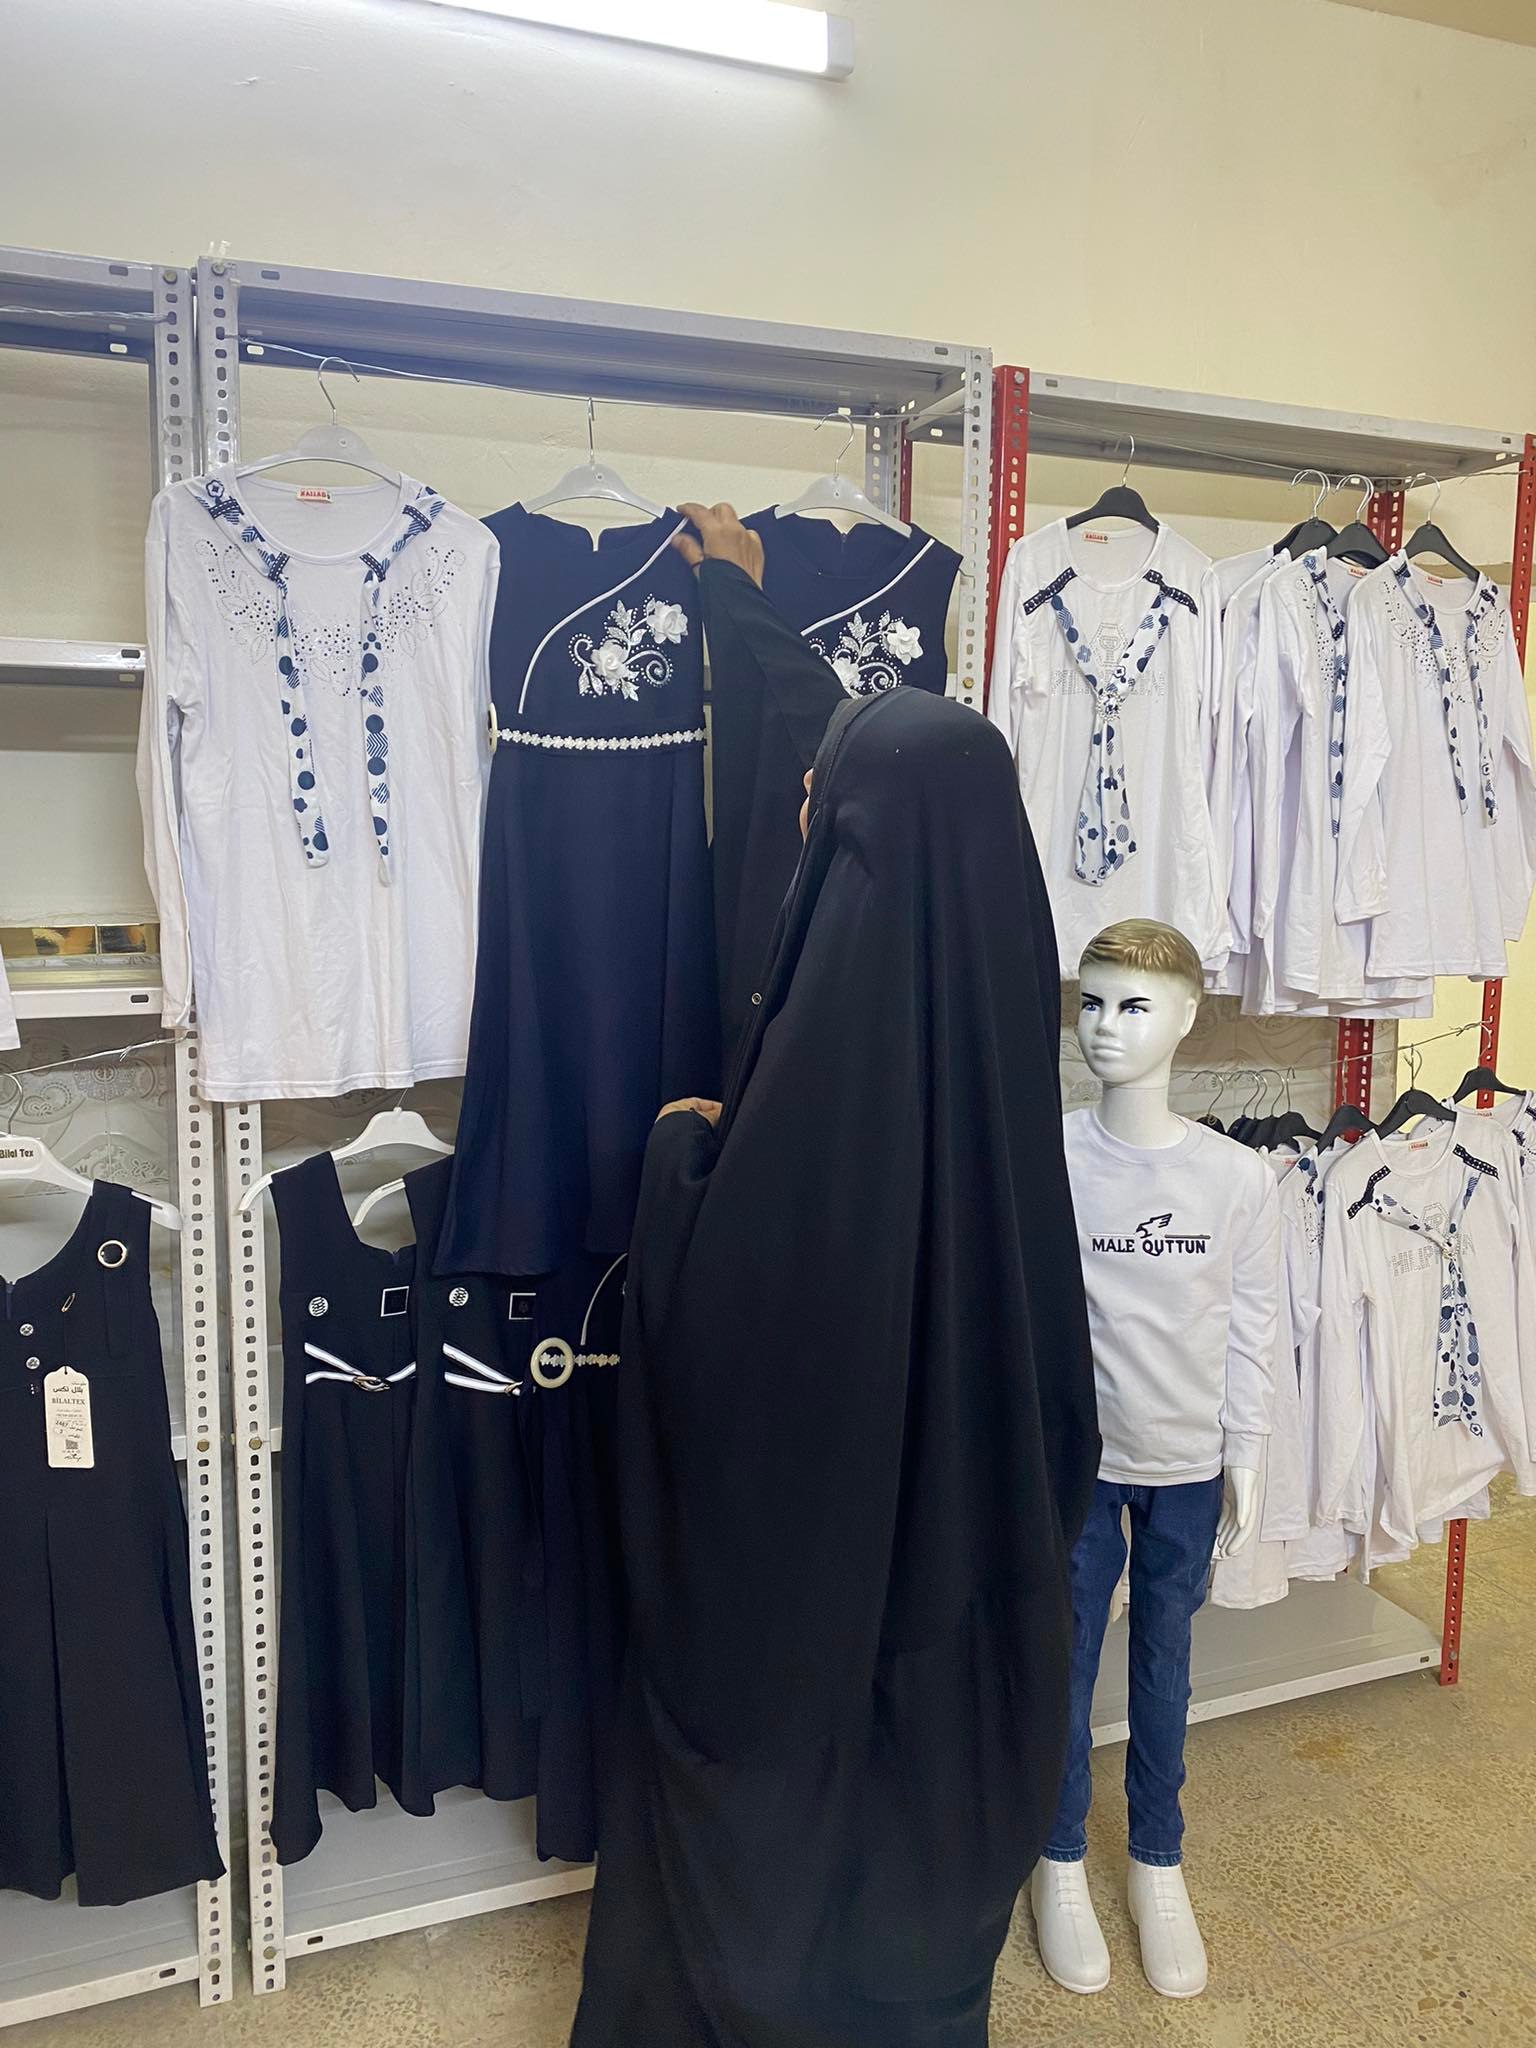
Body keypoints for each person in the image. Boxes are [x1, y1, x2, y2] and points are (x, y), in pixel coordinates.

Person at [569, 505, 1100, 2048]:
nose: (798, 817)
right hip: (962, 1567)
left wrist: (681, 1162)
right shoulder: (993, 998)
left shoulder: (829, 1037)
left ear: (851, 841)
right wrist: (746, 612)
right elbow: (874, 760)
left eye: (814, 810)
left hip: (807, 1589)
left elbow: (739, 1309)